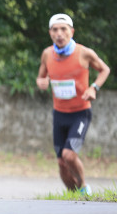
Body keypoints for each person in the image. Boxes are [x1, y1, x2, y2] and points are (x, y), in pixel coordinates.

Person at [36, 13, 110, 195]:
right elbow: (41, 76)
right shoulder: (47, 54)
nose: (59, 34)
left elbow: (104, 70)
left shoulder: (84, 53)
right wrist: (41, 82)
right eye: (55, 30)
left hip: (80, 113)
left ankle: (83, 186)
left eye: (63, 29)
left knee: (69, 155)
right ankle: (73, 197)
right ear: (50, 33)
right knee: (61, 163)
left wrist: (93, 88)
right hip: (59, 114)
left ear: (72, 31)